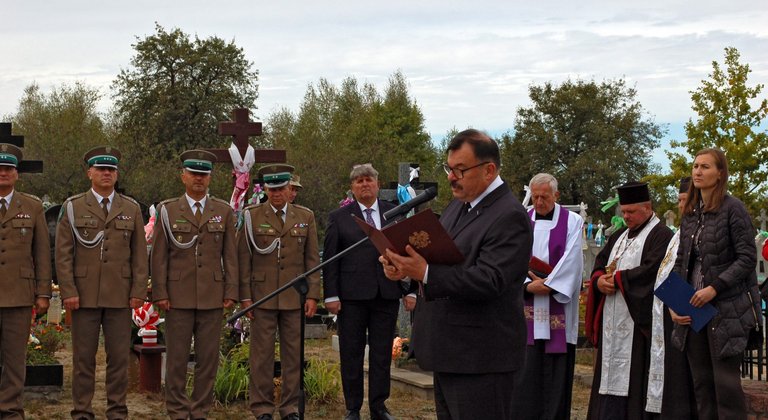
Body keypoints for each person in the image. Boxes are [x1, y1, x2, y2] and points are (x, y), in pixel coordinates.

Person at [380, 129, 532, 419]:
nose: (451, 177)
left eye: (460, 170)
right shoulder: (457, 206)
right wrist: (405, 270)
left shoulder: (509, 216)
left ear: (489, 170)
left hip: (481, 358)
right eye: (449, 168)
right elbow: (440, 261)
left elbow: (488, 280)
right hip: (450, 351)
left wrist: (424, 272)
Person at [56, 146, 148, 419]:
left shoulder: (131, 208)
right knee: (83, 359)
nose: (106, 174)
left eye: (111, 170)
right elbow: (63, 255)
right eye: (101, 169)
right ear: (90, 173)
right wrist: (68, 291)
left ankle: (117, 410)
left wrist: (138, 291)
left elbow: (140, 256)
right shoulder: (72, 207)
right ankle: (82, 411)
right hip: (83, 295)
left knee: (118, 358)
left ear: (117, 175)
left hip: (120, 296)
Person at [671, 148, 760, 419]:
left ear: (720, 173)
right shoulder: (690, 212)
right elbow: (681, 261)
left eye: (705, 167)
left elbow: (747, 258)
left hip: (726, 310)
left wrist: (714, 288)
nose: (697, 171)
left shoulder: (733, 209)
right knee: (702, 386)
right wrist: (675, 304)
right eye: (696, 166)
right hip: (694, 310)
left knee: (726, 390)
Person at [150, 150, 239, 419]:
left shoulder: (223, 211)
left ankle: (200, 410)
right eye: (194, 174)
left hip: (212, 296)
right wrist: (160, 292)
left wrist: (231, 291)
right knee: (177, 358)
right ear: (183, 177)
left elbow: (230, 256)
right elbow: (159, 256)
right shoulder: (168, 210)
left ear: (210, 178)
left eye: (204, 174)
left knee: (208, 359)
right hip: (177, 296)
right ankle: (177, 410)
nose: (199, 179)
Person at [238, 164, 321, 420]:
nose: (277, 193)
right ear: (266, 190)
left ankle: (290, 408)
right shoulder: (252, 216)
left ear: (290, 190)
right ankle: (262, 407)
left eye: (281, 188)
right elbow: (244, 259)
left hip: (294, 296)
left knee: (292, 356)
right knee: (261, 356)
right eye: (272, 189)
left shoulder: (305, 216)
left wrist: (312, 295)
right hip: (261, 296)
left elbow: (312, 260)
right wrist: (245, 297)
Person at [585, 181, 673, 420]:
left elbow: (653, 271)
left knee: (635, 380)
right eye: (623, 212)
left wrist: (620, 279)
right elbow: (600, 264)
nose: (626, 217)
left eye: (631, 212)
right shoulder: (619, 237)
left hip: (637, 326)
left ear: (647, 207)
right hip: (611, 323)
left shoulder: (661, 235)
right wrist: (599, 281)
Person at [323, 164, 400, 420]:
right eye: (358, 182)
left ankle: (379, 406)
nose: (364, 185)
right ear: (352, 188)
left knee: (381, 354)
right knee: (351, 353)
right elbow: (332, 258)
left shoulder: (394, 213)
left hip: (386, 294)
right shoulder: (340, 217)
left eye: (368, 180)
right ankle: (353, 407)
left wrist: (409, 289)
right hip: (352, 297)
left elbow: (405, 252)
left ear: (377, 184)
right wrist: (331, 295)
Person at [512, 173, 583, 419]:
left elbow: (574, 258)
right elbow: (511, 256)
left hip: (558, 307)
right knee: (525, 371)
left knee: (555, 373)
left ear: (556, 195)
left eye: (544, 196)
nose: (539, 201)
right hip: (527, 302)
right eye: (535, 196)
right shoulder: (521, 219)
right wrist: (526, 285)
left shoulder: (572, 221)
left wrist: (551, 285)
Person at [0, 143, 51, 419]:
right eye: (0, 168)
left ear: (16, 174)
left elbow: (42, 254)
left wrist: (44, 293)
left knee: (14, 359)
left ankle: (9, 409)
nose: (3, 173)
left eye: (8, 168)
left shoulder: (32, 207)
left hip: (19, 294)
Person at [645, 177, 698, 419]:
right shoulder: (678, 233)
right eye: (679, 200)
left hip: (691, 317)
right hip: (671, 315)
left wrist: (679, 305)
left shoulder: (700, 230)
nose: (681, 206)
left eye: (686, 200)